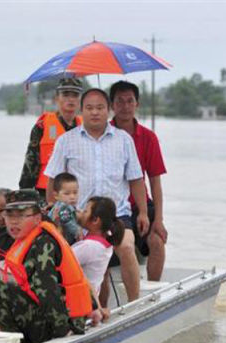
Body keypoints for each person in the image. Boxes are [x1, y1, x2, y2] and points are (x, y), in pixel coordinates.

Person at [44, 88, 149, 304]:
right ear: (82, 111)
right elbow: (53, 180)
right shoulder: (66, 141)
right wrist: (53, 211)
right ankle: (95, 309)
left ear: (109, 109)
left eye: (100, 107)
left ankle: (135, 303)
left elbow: (136, 179)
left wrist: (144, 212)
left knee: (127, 247)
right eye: (89, 108)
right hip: (80, 216)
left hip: (117, 215)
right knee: (95, 264)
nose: (95, 113)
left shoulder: (123, 140)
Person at [0, 190, 102, 343]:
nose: (13, 222)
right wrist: (94, 307)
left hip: (61, 323)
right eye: (9, 216)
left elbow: (47, 291)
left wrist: (63, 333)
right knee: (1, 286)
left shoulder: (43, 244)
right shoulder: (31, 237)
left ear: (37, 218)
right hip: (56, 316)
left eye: (20, 216)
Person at [110, 80, 168, 281]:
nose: (125, 107)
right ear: (111, 105)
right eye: (119, 102)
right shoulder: (102, 135)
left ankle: (153, 291)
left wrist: (158, 220)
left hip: (139, 205)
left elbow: (155, 181)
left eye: (130, 101)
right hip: (112, 206)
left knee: (157, 241)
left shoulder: (148, 138)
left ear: (137, 104)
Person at [19, 78, 83, 197]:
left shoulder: (86, 128)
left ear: (80, 100)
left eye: (75, 95)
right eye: (65, 94)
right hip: (47, 193)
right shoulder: (42, 126)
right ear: (56, 99)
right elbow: (30, 164)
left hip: (76, 194)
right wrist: (25, 194)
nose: (70, 99)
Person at [72, 197, 125, 297]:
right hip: (90, 297)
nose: (80, 213)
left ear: (95, 220)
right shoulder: (103, 242)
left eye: (85, 211)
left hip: (80, 299)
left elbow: (63, 259)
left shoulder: (89, 246)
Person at [48, 173, 82, 245]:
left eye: (75, 192)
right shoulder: (63, 207)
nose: (72, 197)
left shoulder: (68, 206)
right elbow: (66, 220)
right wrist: (77, 231)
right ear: (56, 195)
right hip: (62, 242)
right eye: (67, 194)